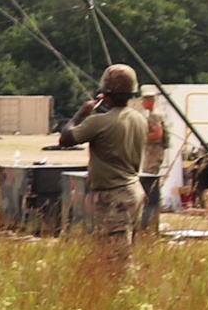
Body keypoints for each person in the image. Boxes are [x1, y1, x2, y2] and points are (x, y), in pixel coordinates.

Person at [59, 64, 147, 262]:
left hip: (113, 197)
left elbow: (65, 139)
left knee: (115, 261)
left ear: (105, 95)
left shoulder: (98, 122)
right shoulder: (140, 119)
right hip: (133, 192)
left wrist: (81, 113)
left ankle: (119, 292)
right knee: (125, 252)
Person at [138, 86, 170, 176]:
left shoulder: (155, 115)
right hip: (152, 151)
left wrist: (142, 137)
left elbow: (157, 133)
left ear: (150, 102)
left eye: (144, 100)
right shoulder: (152, 114)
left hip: (154, 151)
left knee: (150, 176)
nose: (142, 103)